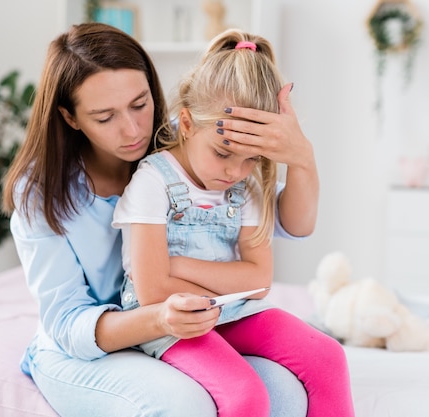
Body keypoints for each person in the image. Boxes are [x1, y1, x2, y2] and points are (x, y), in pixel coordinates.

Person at [2, 22, 324, 417]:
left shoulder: (182, 142)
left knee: (287, 397)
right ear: (71, 118)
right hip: (91, 345)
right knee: (184, 404)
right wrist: (159, 317)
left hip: (180, 325)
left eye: (140, 104)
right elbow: (69, 326)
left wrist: (301, 158)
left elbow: (287, 222)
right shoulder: (41, 192)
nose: (134, 129)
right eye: (105, 117)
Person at [111, 29, 354, 417]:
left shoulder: (244, 188)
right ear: (187, 124)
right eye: (224, 152)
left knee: (326, 356)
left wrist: (178, 265)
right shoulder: (153, 182)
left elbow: (258, 282)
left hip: (233, 310)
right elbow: (155, 291)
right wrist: (227, 278)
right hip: (170, 320)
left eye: (251, 159)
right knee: (246, 392)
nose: (235, 171)